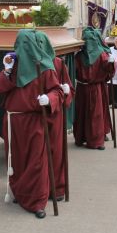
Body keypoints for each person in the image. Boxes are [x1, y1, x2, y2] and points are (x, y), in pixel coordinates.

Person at [0, 30, 63, 218]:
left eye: (24, 44)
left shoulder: (45, 68)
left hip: (34, 120)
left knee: (36, 161)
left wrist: (48, 98)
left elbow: (57, 91)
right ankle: (21, 192)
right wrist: (6, 73)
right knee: (17, 159)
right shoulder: (12, 66)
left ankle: (37, 201)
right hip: (13, 120)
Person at [35, 30, 73, 198]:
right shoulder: (27, 63)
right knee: (37, 153)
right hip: (35, 115)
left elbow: (68, 89)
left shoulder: (58, 63)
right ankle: (38, 188)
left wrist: (65, 92)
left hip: (54, 114)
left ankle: (56, 187)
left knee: (55, 152)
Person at [74, 27, 114, 150]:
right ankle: (85, 137)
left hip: (96, 88)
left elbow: (108, 71)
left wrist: (111, 65)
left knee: (96, 115)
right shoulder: (80, 56)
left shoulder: (101, 55)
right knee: (85, 114)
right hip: (86, 88)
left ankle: (96, 139)